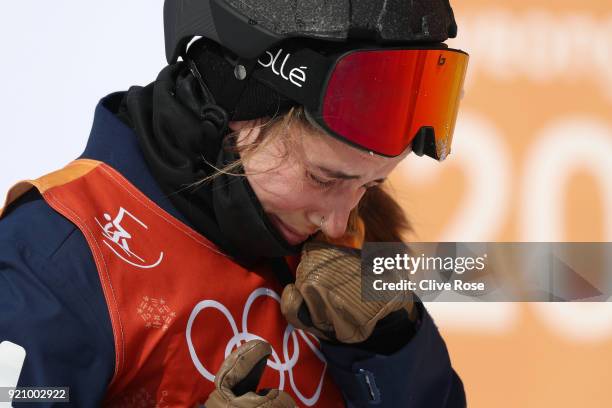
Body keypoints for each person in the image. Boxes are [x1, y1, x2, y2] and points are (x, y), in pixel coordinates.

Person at [0, 0, 468, 406]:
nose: (338, 220)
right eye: (322, 178)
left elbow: (531, 275)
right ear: (229, 117)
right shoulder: (61, 254)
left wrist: (393, 347)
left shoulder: (350, 237)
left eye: (371, 185)